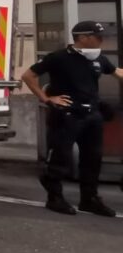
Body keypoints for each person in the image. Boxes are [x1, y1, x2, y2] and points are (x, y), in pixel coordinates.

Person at [20, 20, 121, 217]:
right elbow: (28, 76)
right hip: (67, 116)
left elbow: (117, 72)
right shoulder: (59, 57)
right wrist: (47, 99)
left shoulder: (99, 59)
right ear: (83, 38)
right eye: (98, 37)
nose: (102, 41)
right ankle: (55, 197)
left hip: (92, 116)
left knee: (93, 160)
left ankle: (89, 199)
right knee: (61, 158)